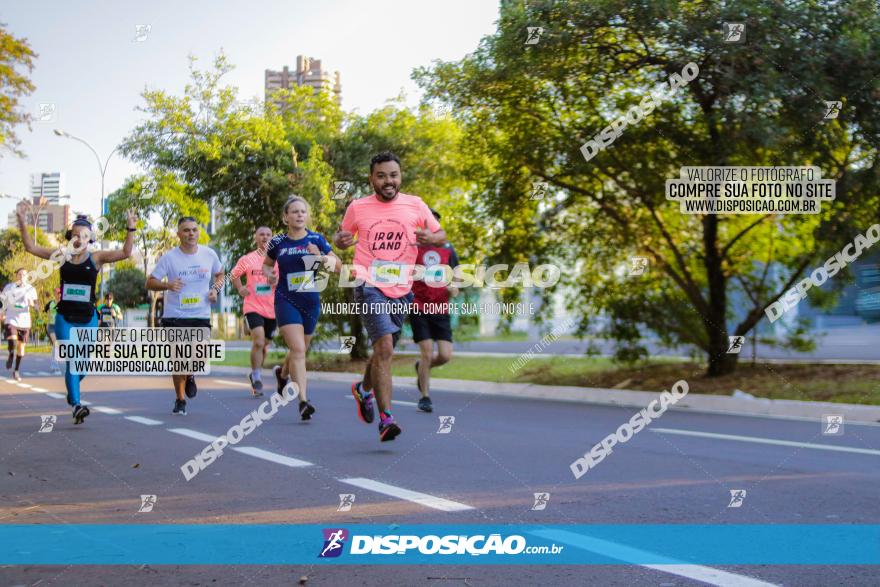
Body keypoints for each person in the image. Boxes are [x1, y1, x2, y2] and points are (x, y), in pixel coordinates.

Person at [334, 151, 446, 441]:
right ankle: (386, 419)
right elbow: (342, 237)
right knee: (384, 346)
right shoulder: (358, 207)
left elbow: (441, 235)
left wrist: (431, 239)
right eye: (381, 175)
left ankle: (363, 390)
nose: (388, 181)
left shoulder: (416, 204)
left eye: (393, 175)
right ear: (371, 178)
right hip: (369, 284)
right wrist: (341, 240)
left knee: (383, 352)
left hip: (402, 290)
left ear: (400, 176)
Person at [18, 210, 137, 424]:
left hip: (89, 319)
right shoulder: (61, 256)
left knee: (83, 366)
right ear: (70, 237)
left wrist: (131, 228)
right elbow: (31, 247)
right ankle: (76, 405)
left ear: (90, 238)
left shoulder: (97, 258)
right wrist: (22, 221)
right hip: (65, 317)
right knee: (73, 360)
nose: (78, 239)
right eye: (74, 235)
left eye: (83, 236)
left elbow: (127, 252)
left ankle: (72, 392)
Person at [263, 196, 340, 421]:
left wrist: (321, 257)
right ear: (285, 217)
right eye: (294, 212)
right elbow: (266, 265)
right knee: (298, 350)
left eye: (302, 211)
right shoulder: (278, 242)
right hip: (285, 300)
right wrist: (270, 275)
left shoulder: (317, 239)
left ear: (307, 215)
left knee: (299, 350)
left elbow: (339, 267)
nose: (299, 215)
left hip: (310, 301)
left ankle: (282, 373)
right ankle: (303, 401)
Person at [146, 217, 223, 416]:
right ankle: (180, 400)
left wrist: (215, 290)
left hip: (201, 314)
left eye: (194, 230)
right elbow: (150, 282)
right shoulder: (170, 258)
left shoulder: (209, 254)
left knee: (201, 355)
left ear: (198, 232)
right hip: (175, 316)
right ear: (179, 234)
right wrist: (167, 285)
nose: (191, 233)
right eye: (186, 230)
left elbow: (221, 274)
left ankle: (191, 374)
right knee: (178, 360)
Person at [410, 208, 461, 413]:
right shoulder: (412, 248)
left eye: (435, 224)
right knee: (426, 351)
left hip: (440, 307)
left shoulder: (448, 248)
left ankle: (422, 367)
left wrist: (455, 285)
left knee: (445, 356)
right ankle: (425, 397)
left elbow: (457, 271)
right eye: (428, 223)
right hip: (418, 306)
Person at [231, 226, 279, 397]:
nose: (265, 237)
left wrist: (276, 281)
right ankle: (257, 377)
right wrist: (240, 288)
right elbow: (234, 275)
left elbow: (284, 280)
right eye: (261, 234)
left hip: (272, 308)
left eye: (268, 235)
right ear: (256, 238)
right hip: (253, 305)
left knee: (264, 345)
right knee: (258, 341)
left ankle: (254, 373)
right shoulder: (248, 258)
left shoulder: (278, 258)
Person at [2, 267, 37, 381]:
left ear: (27, 277)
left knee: (21, 349)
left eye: (24, 275)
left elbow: (35, 303)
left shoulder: (31, 289)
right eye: (20, 274)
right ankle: (11, 354)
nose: (22, 277)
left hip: (24, 321)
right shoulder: (9, 287)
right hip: (11, 319)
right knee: (12, 340)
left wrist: (35, 306)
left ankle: (16, 370)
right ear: (16, 276)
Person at [44, 287, 61, 373]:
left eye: (60, 293)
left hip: (60, 327)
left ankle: (53, 363)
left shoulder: (64, 305)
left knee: (56, 346)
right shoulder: (50, 304)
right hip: (51, 326)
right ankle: (55, 366)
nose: (59, 295)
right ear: (54, 294)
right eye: (57, 293)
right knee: (56, 344)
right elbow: (44, 311)